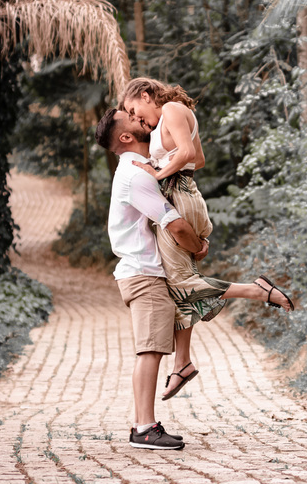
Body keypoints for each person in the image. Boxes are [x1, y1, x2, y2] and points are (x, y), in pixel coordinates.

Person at [96, 108, 294, 432]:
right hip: (142, 274)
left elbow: (190, 158)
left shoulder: (139, 168)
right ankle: (144, 428)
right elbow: (174, 224)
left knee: (172, 317)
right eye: (131, 117)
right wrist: (197, 246)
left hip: (148, 270)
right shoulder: (136, 174)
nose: (139, 118)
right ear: (126, 137)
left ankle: (182, 365)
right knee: (149, 351)